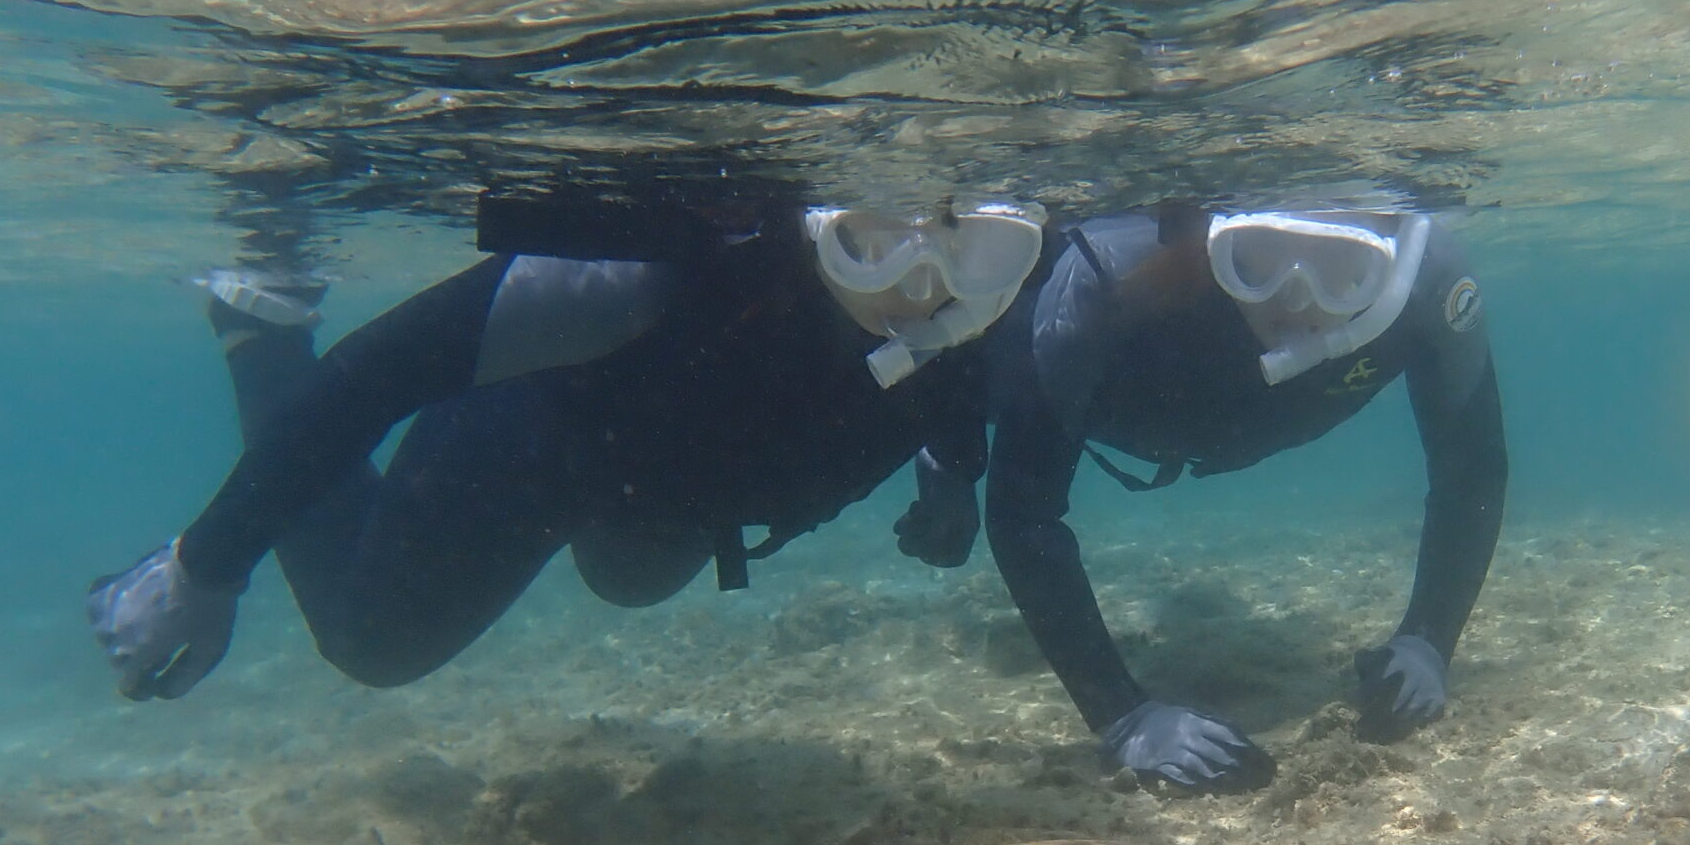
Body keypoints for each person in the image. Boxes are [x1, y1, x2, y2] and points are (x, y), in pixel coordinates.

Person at [87, 196, 1044, 699]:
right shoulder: (653, 267)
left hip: (681, 498)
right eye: (875, 240)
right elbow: (376, 376)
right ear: (815, 219)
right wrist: (206, 566)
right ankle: (261, 326)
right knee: (371, 643)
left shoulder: (991, 310)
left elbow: (958, 390)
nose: (920, 287)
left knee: (629, 582)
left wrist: (953, 471)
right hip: (533, 444)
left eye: (974, 248)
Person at [977, 204, 1506, 793]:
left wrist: (1429, 639)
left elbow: (1472, 467)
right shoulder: (1108, 275)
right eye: (1258, 260)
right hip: (1113, 409)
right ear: (1210, 243)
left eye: (1345, 269)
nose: (1298, 301)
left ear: (1394, 265)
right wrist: (1121, 714)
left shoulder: (1428, 278)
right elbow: (1023, 509)